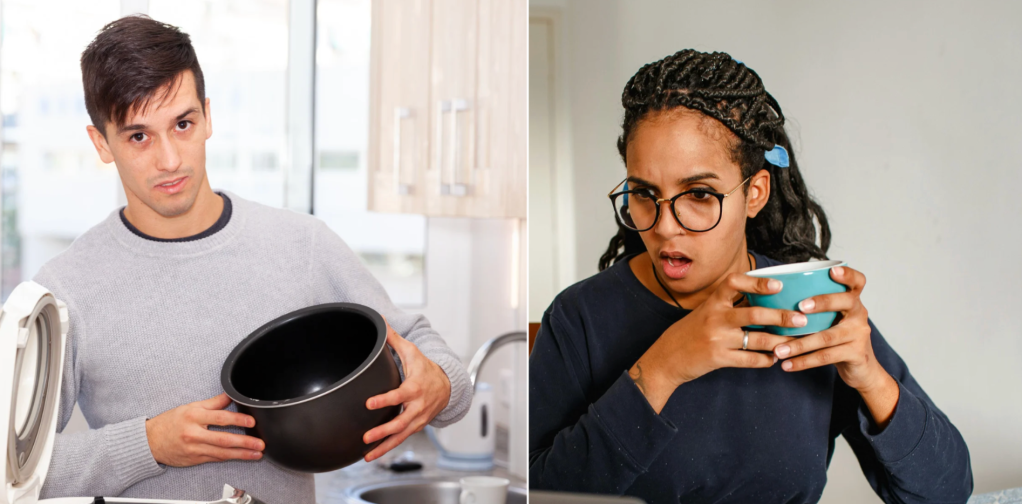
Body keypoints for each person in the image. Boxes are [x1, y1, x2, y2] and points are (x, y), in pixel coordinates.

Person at [32, 15, 470, 503]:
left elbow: (424, 350)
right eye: (139, 137)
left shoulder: (301, 244)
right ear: (101, 143)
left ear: (208, 117)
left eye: (183, 124)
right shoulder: (65, 289)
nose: (170, 159)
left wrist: (441, 385)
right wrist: (148, 444)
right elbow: (13, 472)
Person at [528, 49, 972, 503]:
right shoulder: (579, 318)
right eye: (644, 193)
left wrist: (870, 377)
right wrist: (662, 368)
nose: (664, 227)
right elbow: (534, 494)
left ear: (755, 193)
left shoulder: (806, 308)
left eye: (699, 194)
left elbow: (948, 493)